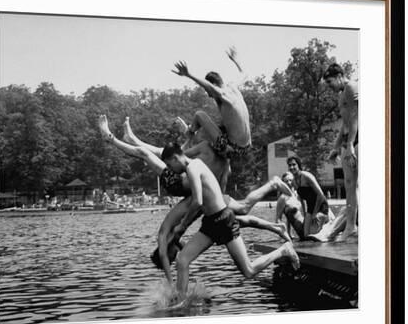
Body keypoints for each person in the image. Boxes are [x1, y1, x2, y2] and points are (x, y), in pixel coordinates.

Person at [98, 115, 291, 282]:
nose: (173, 258)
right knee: (149, 154)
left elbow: (180, 155)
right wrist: (188, 134)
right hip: (182, 186)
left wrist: (188, 134)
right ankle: (121, 138)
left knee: (243, 210)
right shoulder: (209, 153)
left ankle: (114, 138)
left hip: (192, 192)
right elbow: (178, 155)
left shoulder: (217, 156)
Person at [160, 143, 300, 303]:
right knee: (182, 260)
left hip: (223, 221)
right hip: (210, 223)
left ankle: (283, 250)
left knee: (249, 270)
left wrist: (182, 225)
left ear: (175, 158)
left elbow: (197, 201)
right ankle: (181, 302)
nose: (170, 169)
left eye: (169, 165)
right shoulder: (193, 167)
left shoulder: (193, 167)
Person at [171, 47, 251, 159]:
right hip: (247, 148)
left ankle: (188, 133)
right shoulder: (233, 87)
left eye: (208, 91)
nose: (208, 95)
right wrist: (235, 59)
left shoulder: (223, 94)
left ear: (214, 85)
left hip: (233, 149)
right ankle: (191, 131)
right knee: (216, 126)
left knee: (199, 115)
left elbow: (210, 87)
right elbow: (245, 74)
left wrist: (189, 74)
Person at [323, 63, 359, 240]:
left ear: (339, 76)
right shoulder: (340, 95)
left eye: (330, 82)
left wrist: (351, 143)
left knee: (360, 185)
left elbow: (356, 117)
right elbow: (345, 124)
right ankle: (351, 227)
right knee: (350, 186)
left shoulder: (352, 86)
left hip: (358, 139)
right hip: (348, 141)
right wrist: (336, 148)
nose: (329, 87)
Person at [286, 156, 333, 238]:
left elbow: (320, 194)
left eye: (294, 164)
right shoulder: (294, 181)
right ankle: (326, 222)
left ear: (298, 165)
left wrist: (315, 213)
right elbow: (302, 200)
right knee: (306, 236)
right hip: (310, 209)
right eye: (290, 165)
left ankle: (328, 220)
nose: (292, 167)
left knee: (314, 235)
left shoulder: (306, 176)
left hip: (321, 206)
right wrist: (305, 215)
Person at [275, 172, 331, 240]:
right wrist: (284, 234)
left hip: (307, 224)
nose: (289, 183)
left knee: (325, 211)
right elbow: (278, 219)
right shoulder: (282, 198)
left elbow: (304, 210)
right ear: (283, 183)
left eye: (290, 180)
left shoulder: (298, 195)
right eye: (286, 181)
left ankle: (331, 224)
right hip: (301, 230)